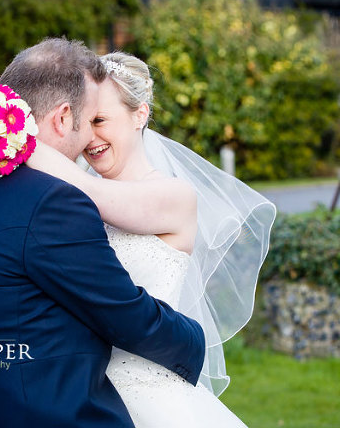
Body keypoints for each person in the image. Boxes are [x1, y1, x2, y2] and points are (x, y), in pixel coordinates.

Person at [0, 38, 205, 428]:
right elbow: (122, 313)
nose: (90, 138)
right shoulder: (53, 202)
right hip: (50, 410)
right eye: (90, 121)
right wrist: (193, 341)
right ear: (63, 117)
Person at [26, 51, 276, 427]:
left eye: (100, 120)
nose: (90, 137)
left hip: (151, 394)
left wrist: (7, 136)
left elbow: (91, 195)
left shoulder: (173, 196)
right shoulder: (75, 192)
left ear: (139, 114)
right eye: (83, 122)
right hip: (83, 391)